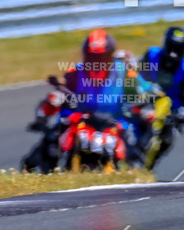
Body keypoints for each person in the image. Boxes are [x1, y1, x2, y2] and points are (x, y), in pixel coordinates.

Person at [54, 29, 160, 167]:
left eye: (101, 58)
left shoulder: (124, 71)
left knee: (136, 139)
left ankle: (135, 170)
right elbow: (62, 93)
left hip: (115, 123)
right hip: (82, 121)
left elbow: (143, 89)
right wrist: (58, 100)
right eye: (92, 57)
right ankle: (46, 167)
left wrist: (148, 98)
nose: (96, 62)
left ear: (109, 57)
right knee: (53, 136)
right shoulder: (75, 72)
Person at [137, 27, 184, 168]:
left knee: (168, 139)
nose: (173, 54)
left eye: (178, 49)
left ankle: (150, 164)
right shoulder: (151, 54)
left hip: (169, 109)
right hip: (146, 99)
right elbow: (136, 76)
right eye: (171, 47)